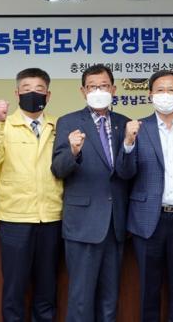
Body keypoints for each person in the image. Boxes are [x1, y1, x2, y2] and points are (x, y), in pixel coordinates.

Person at [116, 70, 173, 322]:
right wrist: (128, 142)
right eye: (160, 90)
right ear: (150, 95)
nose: (165, 95)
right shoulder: (138, 128)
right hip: (148, 220)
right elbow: (125, 173)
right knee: (149, 289)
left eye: (171, 90)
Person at [0, 68, 62, 322]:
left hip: (51, 217)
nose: (32, 94)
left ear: (48, 95)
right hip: (15, 218)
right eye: (26, 89)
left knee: (47, 287)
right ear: (16, 93)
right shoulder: (3, 126)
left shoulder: (58, 125)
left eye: (39, 89)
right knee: (14, 287)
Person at [51, 64, 130, 322]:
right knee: (81, 298)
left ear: (113, 89)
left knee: (110, 298)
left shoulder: (124, 124)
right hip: (83, 224)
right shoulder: (69, 122)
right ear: (83, 91)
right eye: (92, 87)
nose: (98, 91)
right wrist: (73, 152)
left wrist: (130, 145)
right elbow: (58, 169)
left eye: (104, 86)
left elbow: (128, 172)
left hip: (115, 224)